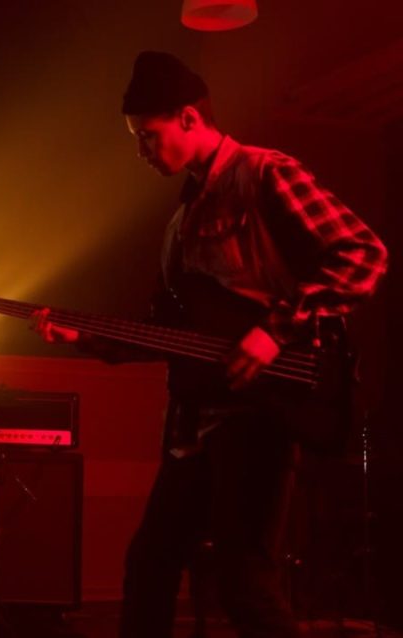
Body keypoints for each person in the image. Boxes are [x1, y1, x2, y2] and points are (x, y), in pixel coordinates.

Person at [33, 51, 387, 637]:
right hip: (195, 425)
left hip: (261, 412)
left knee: (243, 578)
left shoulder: (265, 173)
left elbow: (362, 255)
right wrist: (86, 337)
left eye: (148, 135)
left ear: (190, 118)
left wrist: (274, 332)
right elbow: (170, 333)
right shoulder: (178, 225)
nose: (141, 150)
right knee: (149, 563)